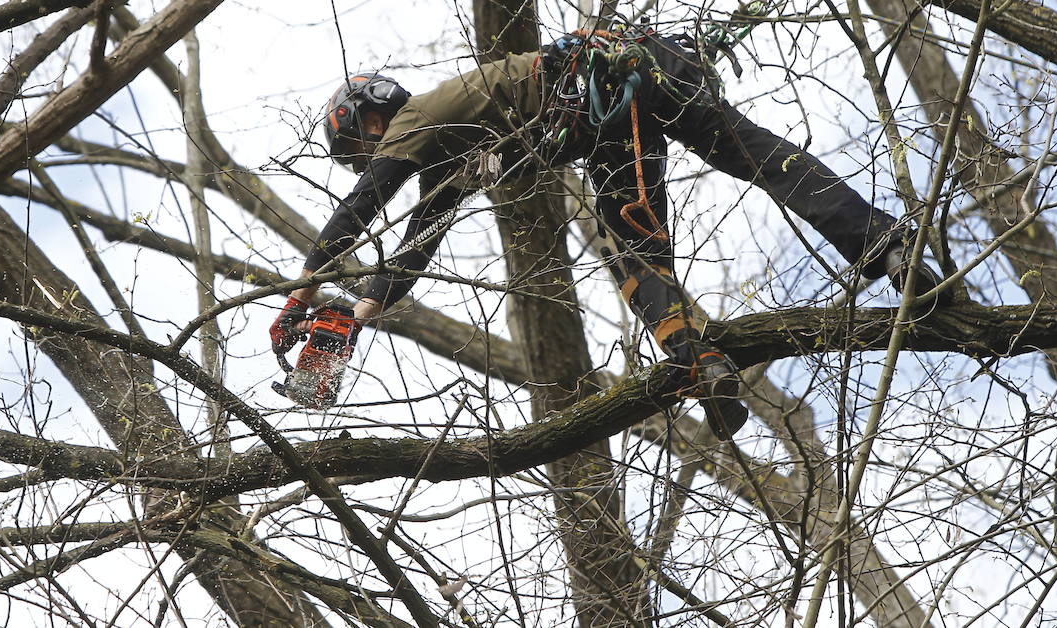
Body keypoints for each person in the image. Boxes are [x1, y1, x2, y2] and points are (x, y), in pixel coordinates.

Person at [269, 28, 939, 432]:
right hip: (645, 70)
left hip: (602, 97)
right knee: (759, 158)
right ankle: (884, 246)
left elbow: (361, 208)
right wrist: (353, 319)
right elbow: (414, 250)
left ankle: (695, 359)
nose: (367, 160)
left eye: (359, 148)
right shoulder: (450, 156)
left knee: (631, 250)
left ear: (370, 122)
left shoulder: (417, 120)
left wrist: (301, 289)